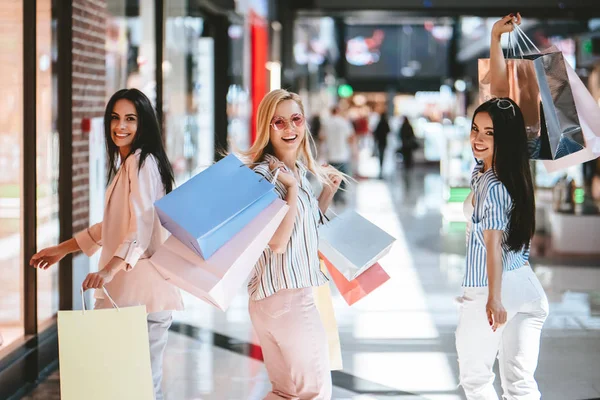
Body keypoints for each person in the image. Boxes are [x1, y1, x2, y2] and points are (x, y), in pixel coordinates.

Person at [30, 89, 183, 400]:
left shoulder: (141, 161)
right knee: (133, 386)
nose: (120, 126)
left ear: (144, 124)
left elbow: (140, 225)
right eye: (115, 118)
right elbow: (111, 227)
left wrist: (112, 268)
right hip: (137, 294)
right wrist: (63, 249)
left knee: (136, 388)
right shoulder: (131, 164)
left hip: (139, 294)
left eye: (130, 119)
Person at [241, 89, 345, 399]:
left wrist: (326, 194)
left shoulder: (290, 172)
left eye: (295, 119)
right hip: (290, 301)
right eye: (279, 122)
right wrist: (292, 189)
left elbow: (302, 230)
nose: (290, 129)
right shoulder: (268, 175)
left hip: (270, 301)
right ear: (266, 127)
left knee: (285, 393)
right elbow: (278, 242)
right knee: (314, 392)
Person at [456, 97, 548, 400]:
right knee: (519, 385)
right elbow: (498, 96)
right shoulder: (509, 175)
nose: (478, 138)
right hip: (526, 286)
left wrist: (492, 299)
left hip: (493, 289)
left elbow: (492, 245)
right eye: (475, 129)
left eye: (489, 133)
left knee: (476, 380)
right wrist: (496, 47)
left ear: (505, 138)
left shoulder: (493, 185)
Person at [320, 105, 355, 204]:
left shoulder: (326, 123)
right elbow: (351, 138)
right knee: (342, 177)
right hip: (343, 154)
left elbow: (322, 137)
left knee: (331, 176)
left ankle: (334, 196)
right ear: (339, 111)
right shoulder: (344, 122)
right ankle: (341, 195)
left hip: (330, 154)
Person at [373, 107, 390, 179]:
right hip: (384, 141)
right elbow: (389, 131)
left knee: (381, 154)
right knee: (382, 154)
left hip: (380, 142)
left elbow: (375, 133)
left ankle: (381, 166)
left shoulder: (379, 123)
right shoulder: (385, 123)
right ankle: (381, 166)